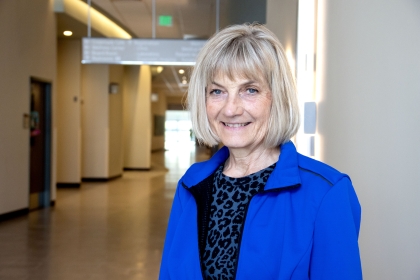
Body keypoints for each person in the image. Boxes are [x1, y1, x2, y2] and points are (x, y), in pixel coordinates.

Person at [159, 23, 362, 280]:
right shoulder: (192, 183)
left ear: (277, 98)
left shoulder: (326, 193)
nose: (230, 109)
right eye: (217, 91)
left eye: (250, 90)